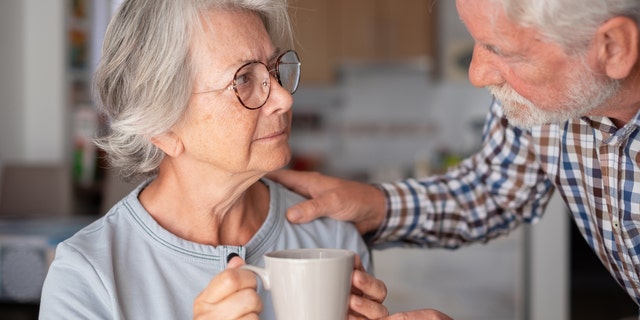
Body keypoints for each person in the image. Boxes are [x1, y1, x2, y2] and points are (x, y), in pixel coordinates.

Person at [268, 0, 640, 316]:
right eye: (475, 41)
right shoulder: (546, 102)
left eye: (502, 50)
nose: (477, 74)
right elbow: (496, 187)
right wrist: (376, 206)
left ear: (614, 48)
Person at [39, 0, 389, 319]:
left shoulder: (332, 242)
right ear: (162, 127)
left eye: (273, 70)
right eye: (243, 79)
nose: (283, 98)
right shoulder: (88, 276)